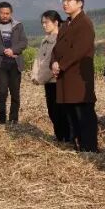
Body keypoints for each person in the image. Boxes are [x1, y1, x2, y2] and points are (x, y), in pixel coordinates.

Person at [52, 0, 98, 152]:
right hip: (65, 75)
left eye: (68, 1)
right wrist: (54, 62)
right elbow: (56, 48)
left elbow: (79, 50)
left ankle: (89, 148)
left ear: (79, 3)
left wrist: (61, 65)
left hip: (78, 76)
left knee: (83, 113)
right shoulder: (66, 24)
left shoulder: (84, 23)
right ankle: (77, 144)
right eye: (63, 1)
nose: (65, 4)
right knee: (71, 112)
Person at [0, 1, 28, 125]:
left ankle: (13, 118)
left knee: (15, 92)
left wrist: (13, 50)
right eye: (2, 13)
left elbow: (24, 42)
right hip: (0, 63)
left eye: (7, 13)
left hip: (15, 62)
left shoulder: (18, 25)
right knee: (2, 90)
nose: (5, 15)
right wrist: (4, 50)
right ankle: (1, 118)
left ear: (11, 13)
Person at [32, 10, 71, 142]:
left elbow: (52, 62)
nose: (44, 25)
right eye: (42, 23)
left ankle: (66, 137)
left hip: (56, 80)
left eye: (46, 22)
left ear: (56, 22)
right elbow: (39, 60)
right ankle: (59, 136)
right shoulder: (45, 40)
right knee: (52, 110)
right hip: (47, 81)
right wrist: (35, 75)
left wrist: (40, 78)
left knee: (60, 111)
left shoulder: (59, 39)